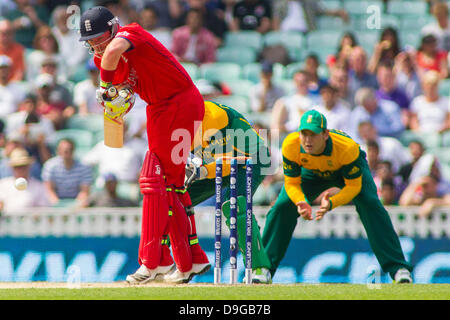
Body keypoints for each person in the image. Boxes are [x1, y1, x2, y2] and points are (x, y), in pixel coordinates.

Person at [78, 6, 209, 284]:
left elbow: (113, 52)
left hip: (179, 102)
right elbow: (120, 103)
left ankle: (153, 262)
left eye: (99, 38)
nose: (95, 45)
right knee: (171, 185)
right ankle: (190, 259)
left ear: (113, 29)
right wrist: (114, 102)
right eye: (90, 42)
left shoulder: (130, 33)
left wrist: (104, 87)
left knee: (153, 179)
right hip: (160, 109)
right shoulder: (107, 62)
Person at [261, 109, 413, 283]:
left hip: (345, 171)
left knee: (371, 204)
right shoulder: (290, 144)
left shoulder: (347, 148)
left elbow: (353, 186)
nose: (308, 140)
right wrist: (300, 201)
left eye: (313, 134)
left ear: (325, 134)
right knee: (282, 206)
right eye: (304, 134)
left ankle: (398, 268)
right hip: (311, 172)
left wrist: (332, 203)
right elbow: (292, 184)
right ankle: (264, 268)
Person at [183, 100, 273, 283]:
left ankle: (260, 268)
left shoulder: (214, 116)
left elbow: (227, 161)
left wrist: (202, 171)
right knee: (178, 199)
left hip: (254, 159)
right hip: (220, 162)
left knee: (234, 205)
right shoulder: (180, 124)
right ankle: (172, 263)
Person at [41, 138, 93, 208]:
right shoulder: (50, 166)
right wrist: (58, 206)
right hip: (54, 204)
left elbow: (84, 191)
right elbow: (49, 190)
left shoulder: (84, 167)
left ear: (73, 150)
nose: (66, 152)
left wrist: (76, 206)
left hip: (77, 205)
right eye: (62, 149)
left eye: (69, 149)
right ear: (58, 151)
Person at [0, 147, 49, 214]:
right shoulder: (3, 185)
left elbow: (44, 210)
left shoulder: (38, 186)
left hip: (30, 223)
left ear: (28, 166)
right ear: (12, 168)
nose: (20, 169)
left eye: (23, 166)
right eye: (16, 167)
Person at [270, 70, 316, 135]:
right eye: (298, 81)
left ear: (309, 82)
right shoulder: (286, 101)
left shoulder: (318, 100)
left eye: (304, 81)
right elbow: (275, 127)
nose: (301, 84)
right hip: (292, 136)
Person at [272, 0, 349, 33]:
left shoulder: (309, 3)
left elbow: (324, 11)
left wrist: (338, 12)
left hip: (306, 33)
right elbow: (276, 21)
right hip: (286, 34)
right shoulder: (281, 5)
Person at [375, 61, 411, 128]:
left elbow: (406, 118)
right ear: (378, 77)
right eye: (384, 76)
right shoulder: (374, 97)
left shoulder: (402, 97)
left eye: (390, 76)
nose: (387, 79)